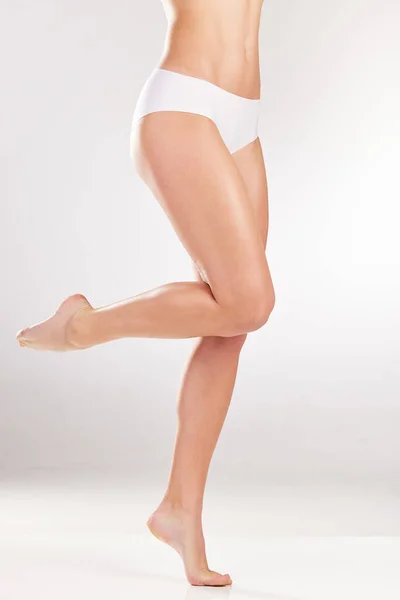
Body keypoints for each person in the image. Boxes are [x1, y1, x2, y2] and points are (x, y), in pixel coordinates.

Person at [16, 0, 275, 587]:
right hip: (183, 106)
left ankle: (180, 510)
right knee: (249, 300)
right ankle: (83, 327)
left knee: (231, 325)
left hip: (243, 120)